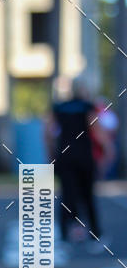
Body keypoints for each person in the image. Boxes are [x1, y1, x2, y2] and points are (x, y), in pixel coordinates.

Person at [45, 76, 106, 249]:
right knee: (87, 195)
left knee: (67, 195)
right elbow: (97, 131)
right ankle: (95, 234)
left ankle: (65, 234)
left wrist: (51, 154)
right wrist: (107, 151)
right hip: (84, 156)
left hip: (65, 156)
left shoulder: (59, 108)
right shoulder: (87, 108)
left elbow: (48, 133)